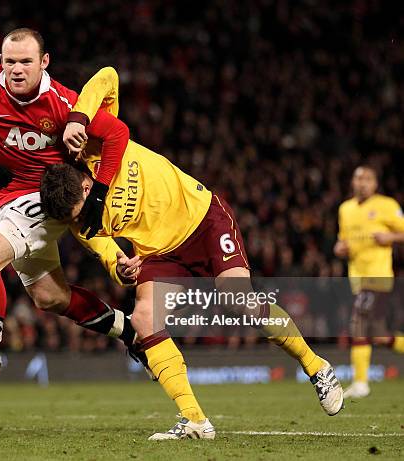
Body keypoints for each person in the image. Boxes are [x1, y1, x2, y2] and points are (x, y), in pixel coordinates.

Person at [40, 67, 345, 440]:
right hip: (161, 255)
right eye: (75, 218)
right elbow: (105, 249)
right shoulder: (78, 219)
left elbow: (108, 76)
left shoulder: (93, 142)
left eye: (83, 206)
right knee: (144, 318)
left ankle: (317, 368)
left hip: (204, 220)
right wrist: (120, 266)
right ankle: (196, 421)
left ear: (86, 184)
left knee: (239, 303)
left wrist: (77, 117)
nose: (83, 217)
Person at [0, 28, 145, 394]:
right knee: (50, 297)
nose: (16, 70)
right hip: (8, 202)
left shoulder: (64, 103)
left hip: (49, 196)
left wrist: (98, 191)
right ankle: (130, 330)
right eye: (9, 61)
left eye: (25, 62)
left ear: (43, 62)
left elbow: (117, 133)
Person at [334, 165, 404, 399]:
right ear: (352, 183)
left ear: (375, 184)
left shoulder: (387, 205)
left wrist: (391, 237)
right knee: (380, 335)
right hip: (357, 278)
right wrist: (339, 248)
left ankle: (361, 383)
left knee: (359, 323)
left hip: (378, 275)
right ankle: (361, 381)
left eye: (367, 179)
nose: (362, 183)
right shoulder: (345, 209)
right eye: (358, 178)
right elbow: (342, 241)